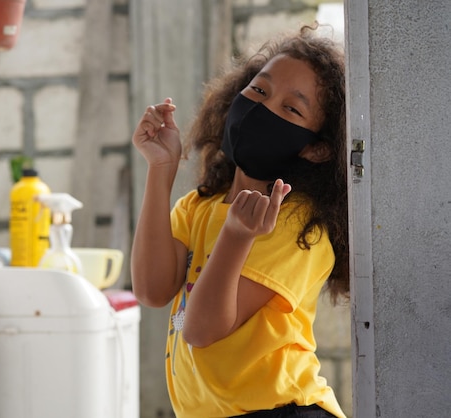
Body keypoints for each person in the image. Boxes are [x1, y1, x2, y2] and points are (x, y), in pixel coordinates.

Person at [130, 23, 348, 418]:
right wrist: (160, 169)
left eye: (291, 109)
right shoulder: (199, 207)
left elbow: (201, 330)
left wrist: (235, 235)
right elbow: (152, 290)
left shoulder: (296, 224)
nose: (265, 108)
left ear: (316, 150)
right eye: (259, 91)